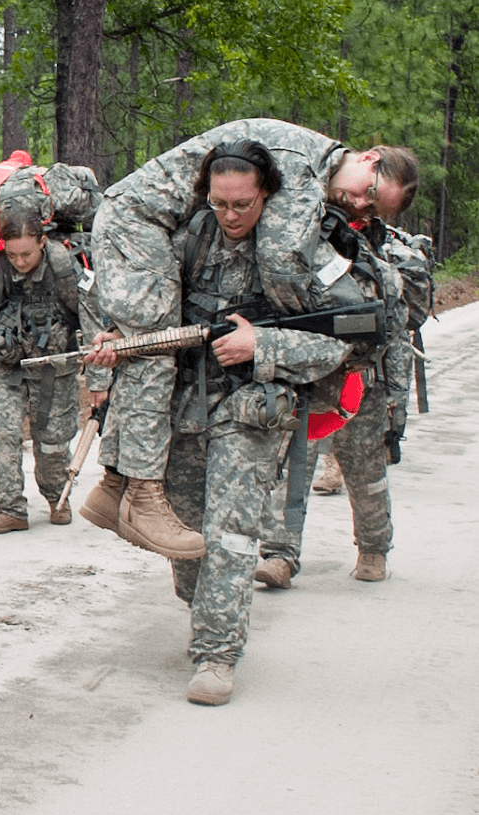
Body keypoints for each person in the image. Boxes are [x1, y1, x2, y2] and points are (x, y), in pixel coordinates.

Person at [89, 140, 387, 706]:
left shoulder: (306, 250)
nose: (230, 217)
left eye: (243, 206)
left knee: (230, 532)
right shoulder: (189, 237)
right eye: (220, 203)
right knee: (186, 531)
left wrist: (262, 343)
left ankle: (217, 655)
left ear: (267, 196)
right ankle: (204, 618)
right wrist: (119, 340)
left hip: (250, 408)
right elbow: (151, 307)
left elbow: (343, 342)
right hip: (184, 407)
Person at [79, 119, 418, 560]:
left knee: (145, 342)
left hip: (142, 223)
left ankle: (112, 487)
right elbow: (280, 259)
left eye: (370, 211)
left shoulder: (309, 172)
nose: (356, 204)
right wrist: (289, 319)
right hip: (135, 222)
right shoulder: (301, 165)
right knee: (156, 344)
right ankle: (140, 494)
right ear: (369, 158)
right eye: (368, 193)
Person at [254, 222, 430, 587]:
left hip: (363, 390)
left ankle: (373, 549)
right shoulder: (299, 272)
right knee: (293, 469)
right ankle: (279, 554)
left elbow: (396, 338)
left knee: (366, 476)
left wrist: (397, 400)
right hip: (310, 389)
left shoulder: (380, 273)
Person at [0, 204, 104, 533]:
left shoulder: (64, 268)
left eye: (26, 254)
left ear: (42, 242)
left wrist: (99, 382)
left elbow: (92, 323)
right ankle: (11, 508)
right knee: (4, 436)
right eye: (12, 254)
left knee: (52, 444)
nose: (19, 262)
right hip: (7, 365)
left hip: (54, 369)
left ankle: (58, 495)